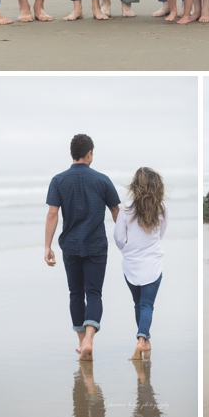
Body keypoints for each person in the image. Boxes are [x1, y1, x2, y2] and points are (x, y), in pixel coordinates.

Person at [44, 134, 121, 362]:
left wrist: (47, 246)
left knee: (76, 294)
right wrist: (126, 240)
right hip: (96, 245)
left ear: (71, 154)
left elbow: (52, 213)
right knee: (94, 293)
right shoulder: (102, 180)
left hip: (71, 247)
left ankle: (80, 342)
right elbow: (116, 212)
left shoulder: (58, 180)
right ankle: (89, 339)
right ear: (89, 154)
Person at [113, 167, 165, 361]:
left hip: (132, 265)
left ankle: (144, 341)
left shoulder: (126, 209)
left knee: (139, 304)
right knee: (147, 305)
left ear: (135, 185)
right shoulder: (161, 209)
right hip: (153, 264)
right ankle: (142, 340)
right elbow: (161, 234)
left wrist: (129, 250)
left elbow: (118, 238)